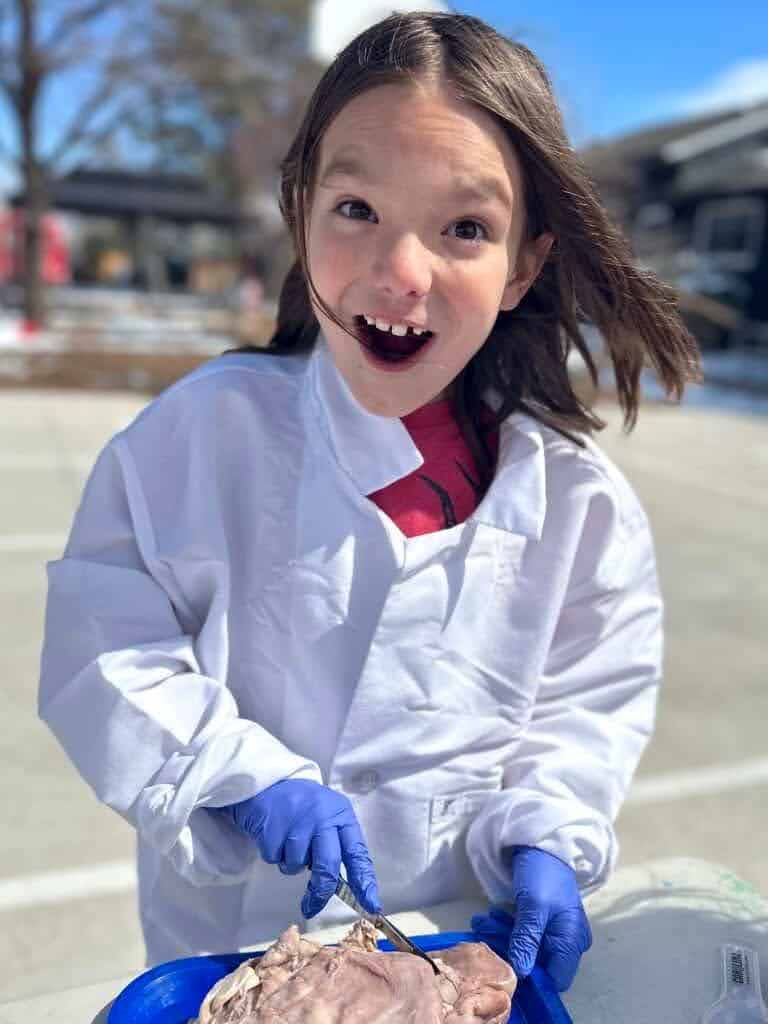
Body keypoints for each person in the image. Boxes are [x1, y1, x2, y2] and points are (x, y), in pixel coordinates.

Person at [38, 11, 701, 993]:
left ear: (523, 263)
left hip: (449, 944)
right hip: (229, 947)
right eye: (357, 209)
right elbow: (104, 642)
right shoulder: (202, 436)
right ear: (301, 208)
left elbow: (586, 704)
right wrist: (238, 773)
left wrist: (551, 837)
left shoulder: (576, 505)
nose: (401, 273)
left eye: (465, 228)